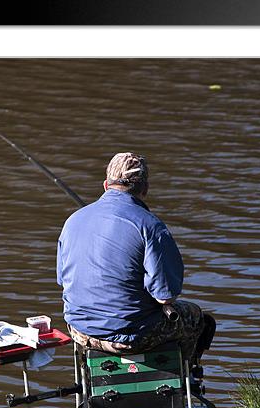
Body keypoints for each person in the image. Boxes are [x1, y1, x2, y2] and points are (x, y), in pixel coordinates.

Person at [56, 152, 214, 368]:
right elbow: (166, 296)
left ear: (105, 185)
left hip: (79, 330)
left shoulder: (72, 221)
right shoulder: (151, 227)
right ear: (145, 189)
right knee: (197, 318)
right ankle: (184, 378)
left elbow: (64, 281)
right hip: (130, 337)